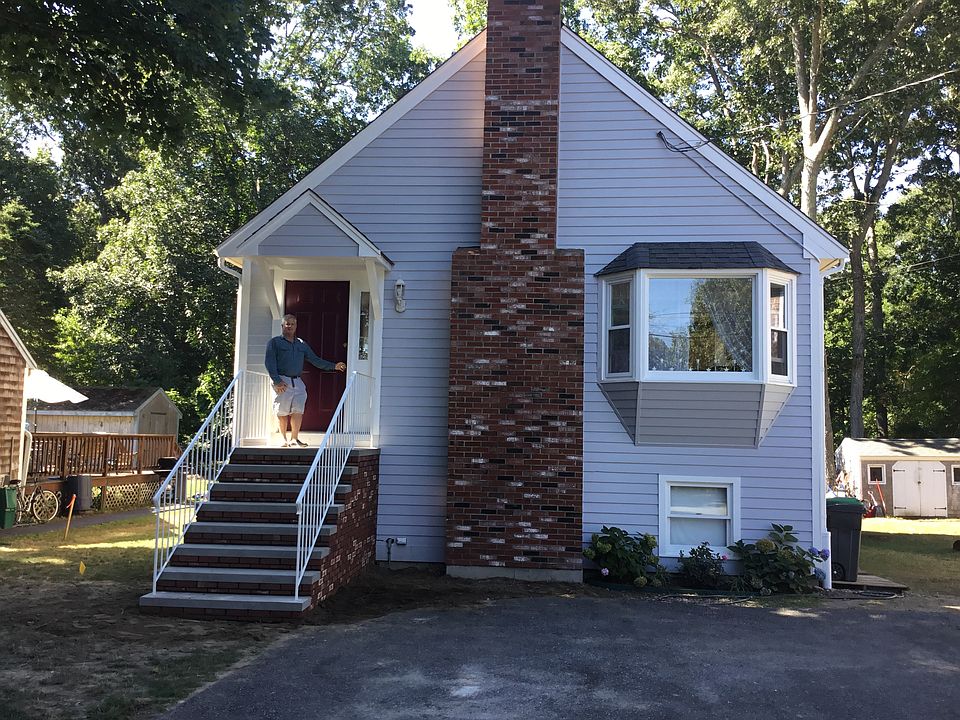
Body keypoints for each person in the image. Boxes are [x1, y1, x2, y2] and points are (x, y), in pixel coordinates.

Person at [265, 314, 346, 447]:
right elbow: (269, 362)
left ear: (296, 326)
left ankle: (294, 439)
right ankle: (283, 440)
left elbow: (314, 360)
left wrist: (334, 366)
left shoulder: (301, 344)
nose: (290, 326)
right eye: (287, 323)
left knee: (298, 410)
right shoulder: (274, 343)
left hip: (297, 381)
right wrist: (276, 380)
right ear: (282, 326)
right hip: (282, 381)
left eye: (292, 324)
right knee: (282, 411)